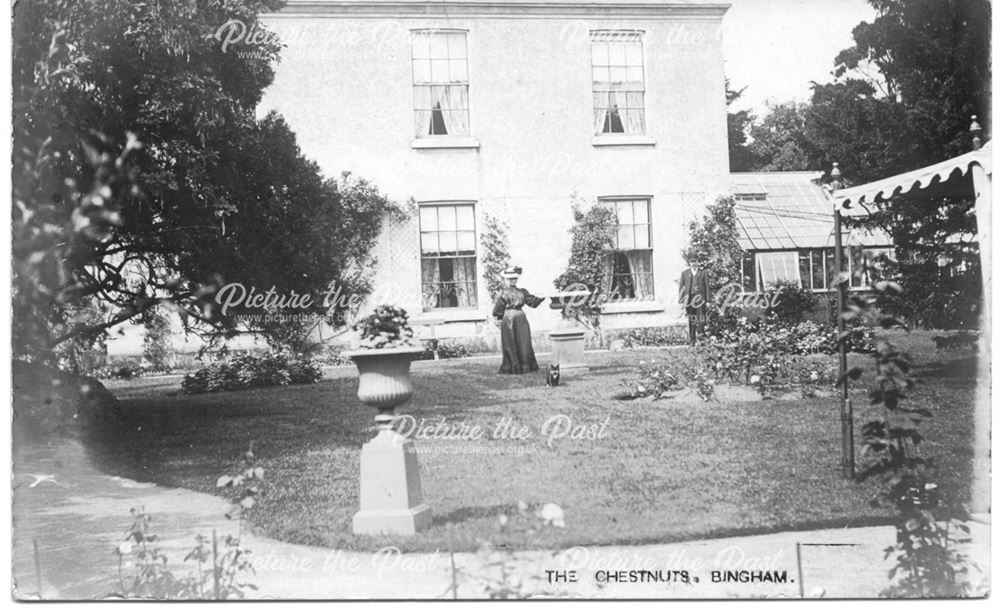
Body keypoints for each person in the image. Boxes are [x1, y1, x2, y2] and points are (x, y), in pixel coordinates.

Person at [492, 266, 544, 374]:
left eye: (514, 279)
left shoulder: (513, 292)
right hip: (516, 317)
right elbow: (533, 302)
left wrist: (541, 297)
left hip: (512, 318)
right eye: (511, 279)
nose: (513, 281)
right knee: (517, 341)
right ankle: (522, 366)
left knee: (519, 341)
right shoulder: (511, 293)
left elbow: (532, 302)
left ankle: (517, 366)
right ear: (507, 280)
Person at [678, 261, 711, 345]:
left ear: (698, 262)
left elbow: (707, 287)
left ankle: (701, 339)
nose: (693, 263)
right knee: (691, 319)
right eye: (691, 261)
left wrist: (708, 300)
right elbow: (681, 287)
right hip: (689, 300)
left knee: (701, 319)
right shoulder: (685, 273)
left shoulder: (703, 273)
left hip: (700, 299)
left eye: (695, 261)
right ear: (689, 263)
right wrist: (682, 301)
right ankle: (692, 340)